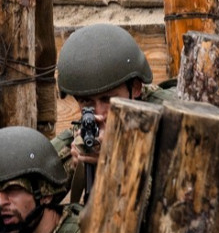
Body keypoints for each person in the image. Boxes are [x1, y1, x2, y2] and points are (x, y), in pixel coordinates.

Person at [52, 23, 178, 202]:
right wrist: (78, 162)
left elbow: (173, 205)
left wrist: (115, 161)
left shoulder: (169, 121)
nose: (100, 113)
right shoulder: (89, 129)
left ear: (135, 88)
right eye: (86, 102)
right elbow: (34, 180)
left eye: (108, 99)